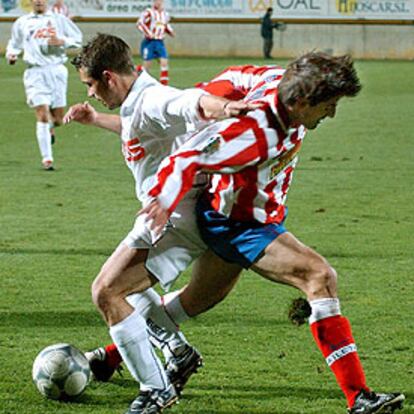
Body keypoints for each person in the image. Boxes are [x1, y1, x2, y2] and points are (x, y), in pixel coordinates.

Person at [140, 51, 406, 414]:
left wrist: (208, 94)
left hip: (246, 219)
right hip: (239, 226)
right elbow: (187, 159)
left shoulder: (277, 81)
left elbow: (240, 74)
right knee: (320, 277)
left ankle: (110, 356)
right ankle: (359, 397)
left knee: (193, 302)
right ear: (299, 101)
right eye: (327, 105)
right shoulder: (255, 135)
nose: (331, 113)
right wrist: (163, 202)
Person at [64, 34, 255, 414]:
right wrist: (97, 119)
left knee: (107, 291)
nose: (90, 94)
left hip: (173, 217)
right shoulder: (137, 102)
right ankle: (178, 352)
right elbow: (139, 131)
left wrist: (225, 108)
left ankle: (156, 389)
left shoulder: (152, 99)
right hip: (172, 213)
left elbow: (188, 103)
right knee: (133, 292)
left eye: (90, 86)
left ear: (108, 77)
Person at [5, 0, 82, 171]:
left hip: (57, 72)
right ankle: (47, 159)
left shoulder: (59, 20)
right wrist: (12, 54)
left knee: (58, 119)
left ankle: (50, 128)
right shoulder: (22, 22)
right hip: (34, 73)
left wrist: (62, 41)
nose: (39, 1)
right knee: (42, 113)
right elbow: (15, 43)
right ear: (31, 1)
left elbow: (78, 40)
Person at [137, 0, 174, 85]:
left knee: (164, 62)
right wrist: (149, 34)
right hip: (149, 42)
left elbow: (165, 25)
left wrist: (170, 31)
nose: (159, 2)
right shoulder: (148, 12)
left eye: (160, 1)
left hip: (160, 41)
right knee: (147, 66)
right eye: (157, 1)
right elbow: (140, 23)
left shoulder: (165, 14)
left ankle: (164, 85)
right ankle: (139, 74)